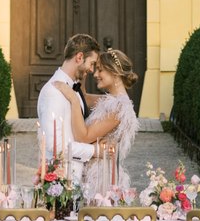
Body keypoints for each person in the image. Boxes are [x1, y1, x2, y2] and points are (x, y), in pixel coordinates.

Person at [53, 48, 139, 198]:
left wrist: (73, 99)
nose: (96, 74)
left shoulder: (119, 108)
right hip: (94, 171)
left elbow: (84, 137)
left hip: (102, 179)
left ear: (115, 72)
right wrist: (83, 69)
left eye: (100, 70)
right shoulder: (110, 101)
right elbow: (84, 97)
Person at [36, 34, 100, 184]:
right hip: (61, 183)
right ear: (79, 57)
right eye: (91, 63)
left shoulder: (72, 89)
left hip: (74, 180)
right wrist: (95, 151)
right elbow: (55, 146)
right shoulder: (53, 92)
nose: (91, 70)